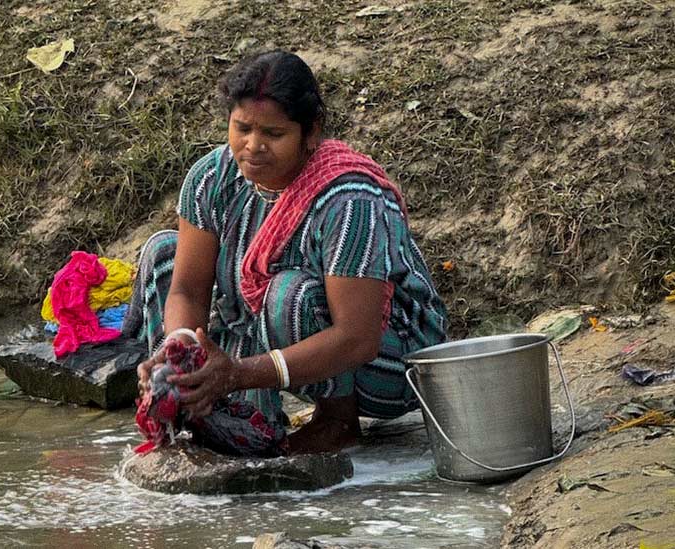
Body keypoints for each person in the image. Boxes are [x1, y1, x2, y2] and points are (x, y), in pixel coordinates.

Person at [122, 50, 448, 454]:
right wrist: (180, 355)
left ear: (310, 134)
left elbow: (357, 338)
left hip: (388, 363)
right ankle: (204, 411)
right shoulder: (211, 177)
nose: (253, 146)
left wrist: (239, 374)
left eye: (274, 135)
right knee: (162, 252)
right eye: (241, 128)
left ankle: (337, 423)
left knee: (289, 293)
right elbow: (187, 290)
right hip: (267, 336)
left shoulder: (347, 198)